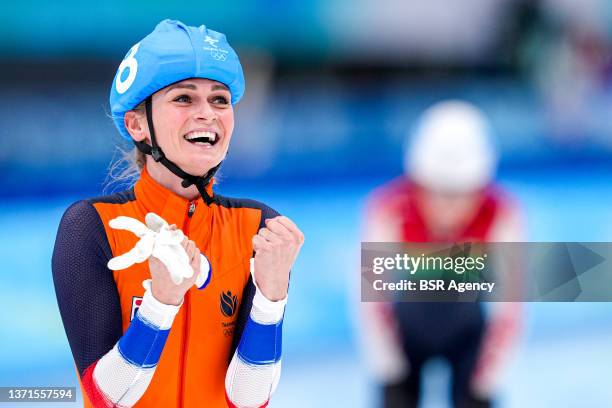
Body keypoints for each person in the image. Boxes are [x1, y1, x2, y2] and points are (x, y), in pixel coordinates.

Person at [52, 19, 304, 408]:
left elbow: (248, 399)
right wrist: (162, 302)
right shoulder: (91, 228)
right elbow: (105, 397)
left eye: (220, 99)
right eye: (184, 98)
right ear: (138, 125)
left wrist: (272, 298)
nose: (207, 113)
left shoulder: (258, 229)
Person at [360, 100, 523, 408]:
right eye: (437, 192)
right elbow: (370, 299)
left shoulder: (502, 213)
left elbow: (510, 306)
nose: (449, 208)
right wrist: (389, 370)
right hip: (407, 333)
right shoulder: (388, 209)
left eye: (462, 193)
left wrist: (487, 380)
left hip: (468, 335)